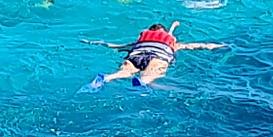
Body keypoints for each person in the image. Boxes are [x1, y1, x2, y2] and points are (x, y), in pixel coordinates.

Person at [83, 22, 225, 88]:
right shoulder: (172, 43)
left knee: (123, 72)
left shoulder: (139, 42)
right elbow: (195, 46)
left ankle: (106, 78)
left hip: (136, 55)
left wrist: (94, 42)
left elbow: (114, 46)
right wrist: (215, 46)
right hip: (158, 56)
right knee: (150, 75)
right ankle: (143, 83)